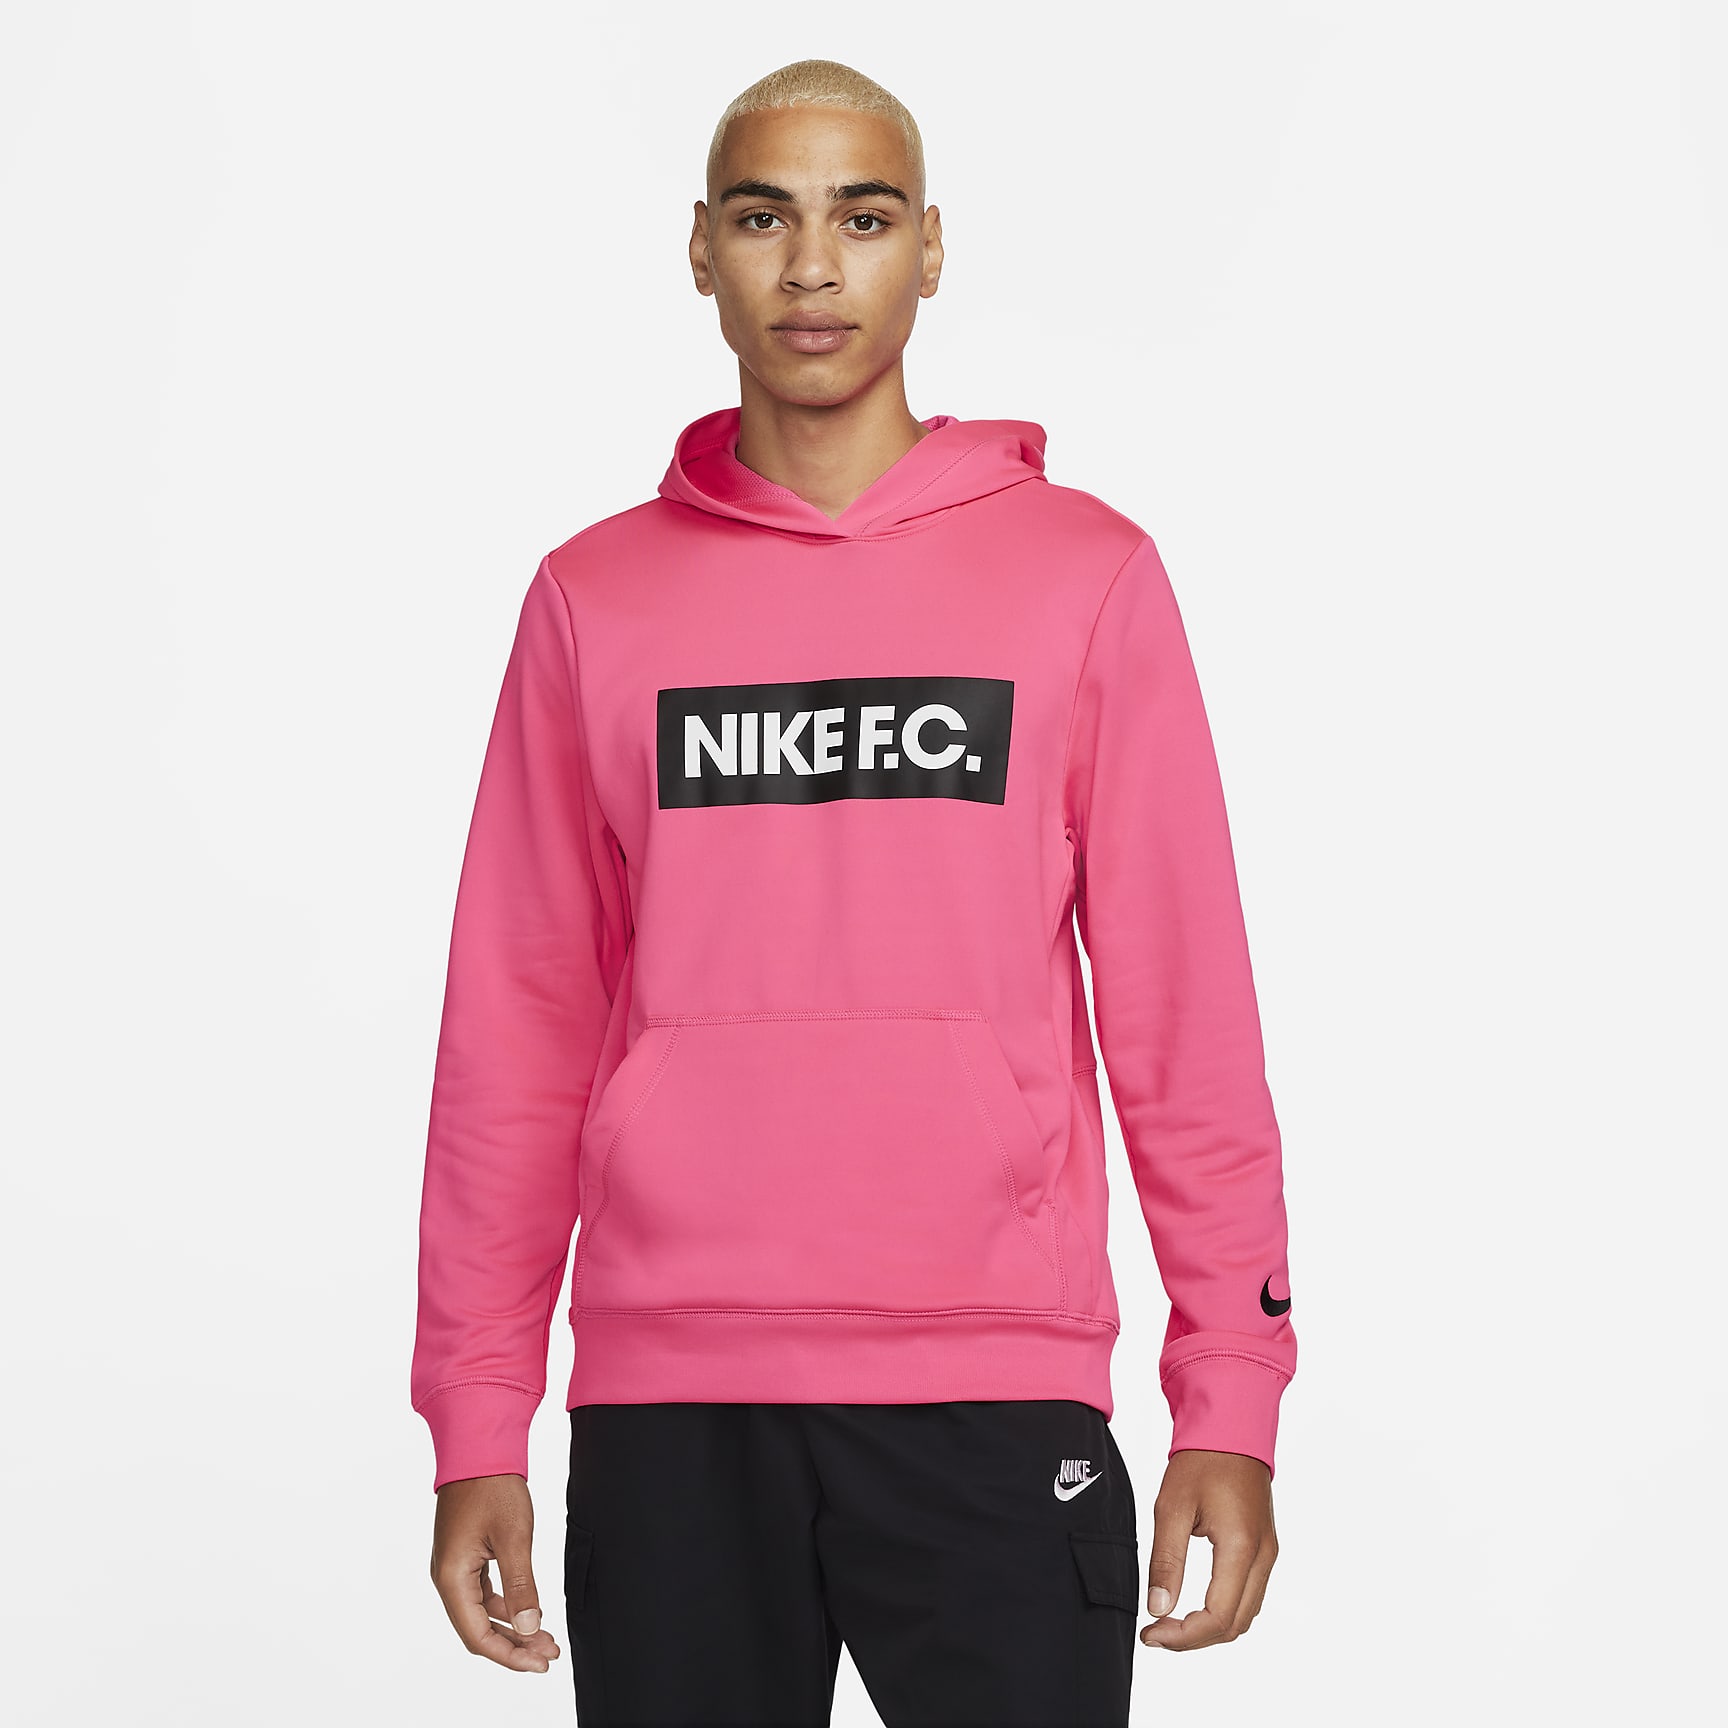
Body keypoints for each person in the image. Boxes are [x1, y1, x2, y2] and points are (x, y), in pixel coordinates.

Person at [411, 57, 1297, 1727]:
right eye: (765, 218)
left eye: (863, 217)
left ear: (931, 248)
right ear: (701, 249)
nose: (813, 266)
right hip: (674, 1403)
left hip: (996, 1390)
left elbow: (1187, 1017)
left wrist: (1230, 1392)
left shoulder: (1085, 579)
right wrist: (477, 1417)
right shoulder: (595, 601)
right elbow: (514, 1036)